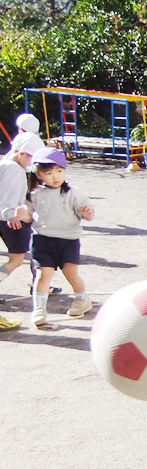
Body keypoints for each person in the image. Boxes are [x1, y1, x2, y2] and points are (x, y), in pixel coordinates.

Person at [15, 148, 95, 329]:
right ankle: (39, 310)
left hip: (68, 240)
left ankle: (83, 300)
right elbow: (30, 217)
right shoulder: (34, 194)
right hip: (42, 239)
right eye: (48, 173)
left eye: (59, 171)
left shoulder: (73, 193)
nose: (55, 176)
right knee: (43, 275)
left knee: (70, 273)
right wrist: (23, 216)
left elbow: (89, 215)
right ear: (39, 174)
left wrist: (87, 213)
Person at [0, 126, 44, 326]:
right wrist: (12, 214)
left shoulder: (5, 162)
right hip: (10, 219)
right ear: (22, 154)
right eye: (31, 158)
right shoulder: (15, 169)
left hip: (7, 216)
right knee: (16, 259)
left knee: (17, 259)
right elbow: (9, 196)